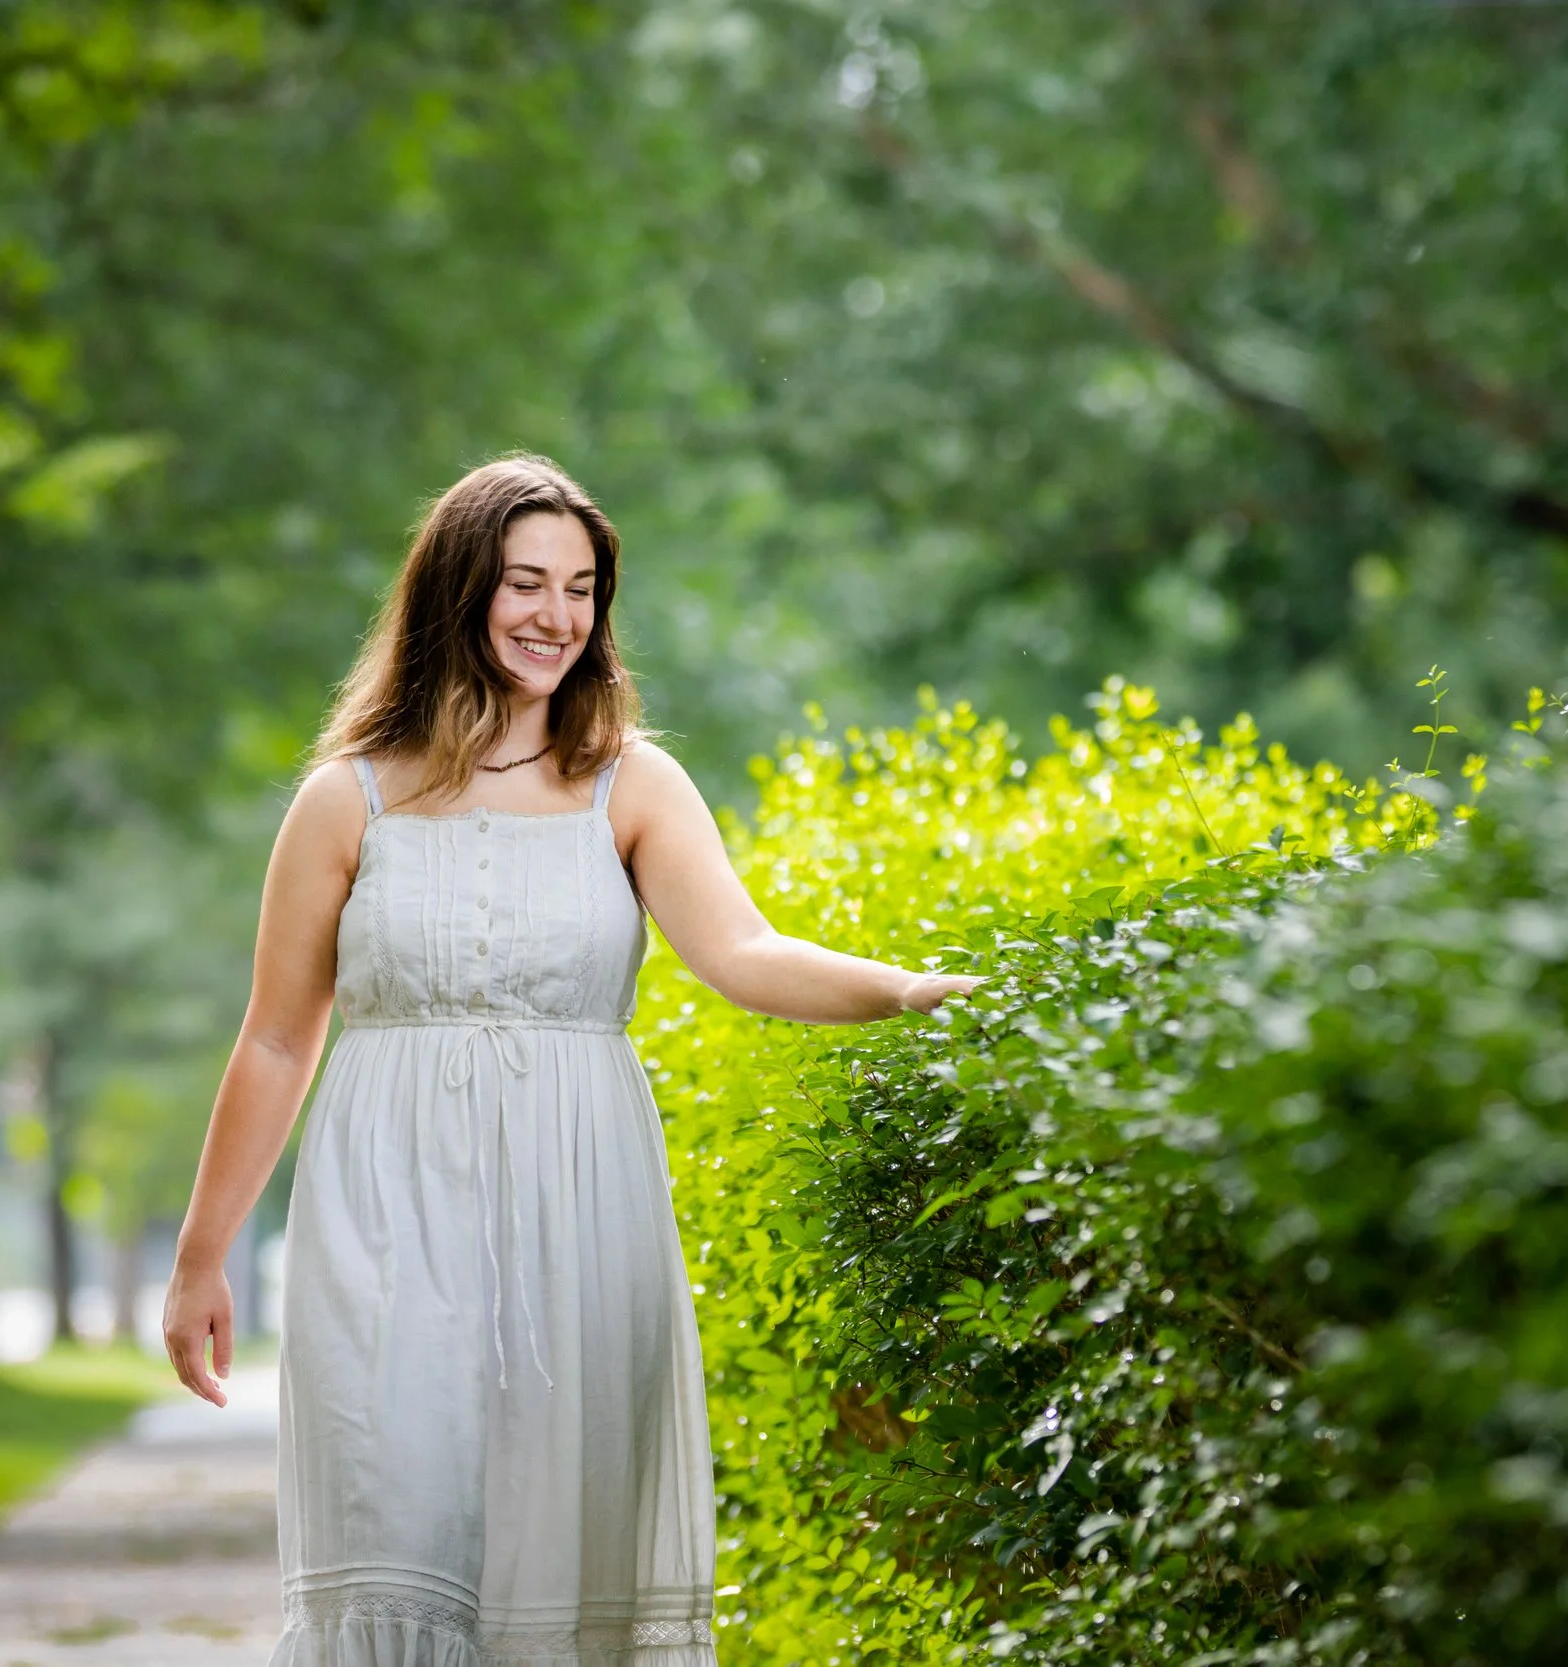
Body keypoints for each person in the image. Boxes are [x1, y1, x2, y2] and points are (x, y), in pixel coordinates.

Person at [161, 454, 978, 1666]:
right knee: (400, 1516)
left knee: (570, 1539)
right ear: (457, 590)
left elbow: (741, 950)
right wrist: (199, 1258)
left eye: (581, 588)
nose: (555, 615)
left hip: (581, 1207)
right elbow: (279, 1035)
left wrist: (904, 991)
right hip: (385, 1214)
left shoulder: (629, 782)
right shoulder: (348, 801)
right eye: (524, 582)